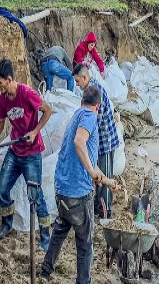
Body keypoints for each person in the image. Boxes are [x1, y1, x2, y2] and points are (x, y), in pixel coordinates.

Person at [40, 86, 116, 284]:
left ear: (83, 101)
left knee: (60, 230)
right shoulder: (90, 117)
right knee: (85, 243)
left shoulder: (76, 115)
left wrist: (102, 176)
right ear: (97, 106)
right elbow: (79, 143)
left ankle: (45, 271)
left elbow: (85, 153)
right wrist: (91, 172)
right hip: (78, 193)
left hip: (62, 190)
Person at [0, 59, 53, 251]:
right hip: (14, 151)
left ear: (9, 79)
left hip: (32, 153)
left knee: (35, 196)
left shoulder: (27, 94)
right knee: (2, 189)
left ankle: (45, 235)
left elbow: (48, 111)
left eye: (0, 82)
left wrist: (34, 132)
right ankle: (6, 224)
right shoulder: (2, 100)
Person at [72, 64, 119, 218]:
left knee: (104, 177)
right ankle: (99, 207)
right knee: (98, 175)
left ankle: (106, 213)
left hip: (105, 142)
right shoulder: (89, 91)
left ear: (85, 78)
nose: (77, 85)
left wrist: (82, 140)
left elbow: (93, 122)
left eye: (78, 81)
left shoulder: (94, 93)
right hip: (98, 142)